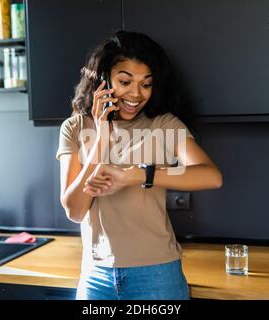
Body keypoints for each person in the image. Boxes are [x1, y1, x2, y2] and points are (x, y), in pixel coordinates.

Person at [56, 31, 223, 300]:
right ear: (104, 79)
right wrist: (101, 138)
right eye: (125, 81)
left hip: (156, 273)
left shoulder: (164, 125)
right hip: (96, 276)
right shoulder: (74, 128)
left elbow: (210, 176)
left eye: (146, 84)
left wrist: (137, 175)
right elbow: (75, 210)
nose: (136, 94)